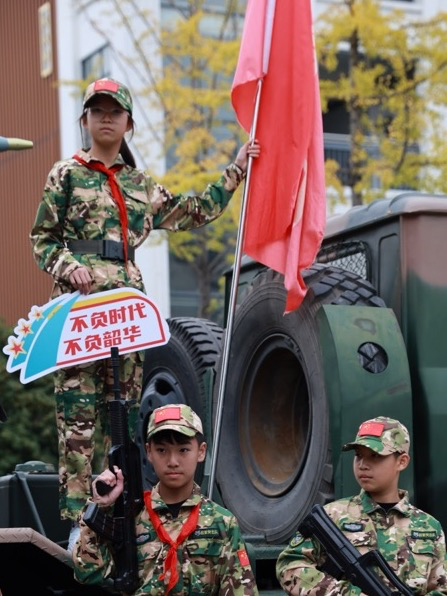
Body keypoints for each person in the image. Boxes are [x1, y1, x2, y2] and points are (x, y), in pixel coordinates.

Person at [29, 77, 260, 536]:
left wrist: (236, 170)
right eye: (98, 111)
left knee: (123, 415)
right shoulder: (66, 174)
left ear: (128, 123)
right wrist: (69, 266)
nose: (106, 118)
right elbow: (42, 239)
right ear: (85, 120)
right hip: (79, 316)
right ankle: (78, 528)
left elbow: (193, 210)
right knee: (77, 420)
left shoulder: (139, 184)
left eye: (115, 111)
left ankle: (121, 517)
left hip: (126, 315)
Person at [72, 403, 259, 594]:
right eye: (162, 450)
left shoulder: (222, 523)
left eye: (183, 450)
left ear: (201, 451)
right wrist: (100, 506)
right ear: (149, 452)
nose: (172, 461)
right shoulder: (128, 516)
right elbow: (87, 573)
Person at [276, 416, 447, 595]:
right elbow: (289, 566)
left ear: (402, 461)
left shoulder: (428, 526)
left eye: (375, 456)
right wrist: (345, 593)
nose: (363, 465)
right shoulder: (332, 516)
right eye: (358, 455)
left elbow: (442, 588)